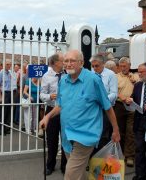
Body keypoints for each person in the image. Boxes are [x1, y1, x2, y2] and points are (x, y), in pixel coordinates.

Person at [40, 50, 120, 180]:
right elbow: (59, 106)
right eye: (66, 61)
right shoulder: (63, 81)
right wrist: (47, 117)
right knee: (79, 173)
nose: (68, 64)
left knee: (70, 175)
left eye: (72, 61)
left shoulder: (93, 80)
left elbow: (107, 107)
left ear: (81, 63)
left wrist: (116, 130)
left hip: (85, 135)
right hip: (67, 135)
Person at [40, 53, 67, 175]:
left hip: (65, 111)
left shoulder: (67, 74)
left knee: (66, 139)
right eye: (63, 61)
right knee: (51, 140)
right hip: (51, 110)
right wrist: (49, 96)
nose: (65, 63)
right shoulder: (47, 76)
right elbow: (42, 95)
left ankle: (65, 166)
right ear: (56, 62)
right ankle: (50, 165)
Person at [114, 57, 139, 167]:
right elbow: (113, 91)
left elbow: (143, 88)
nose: (123, 68)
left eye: (125, 66)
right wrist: (122, 97)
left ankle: (130, 156)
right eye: (121, 66)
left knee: (131, 131)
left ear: (130, 66)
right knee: (119, 130)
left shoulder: (135, 76)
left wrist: (135, 82)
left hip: (132, 105)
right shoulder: (115, 77)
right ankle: (120, 155)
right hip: (119, 105)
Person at [90, 54, 118, 150]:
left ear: (103, 64)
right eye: (92, 66)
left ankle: (101, 159)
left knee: (104, 135)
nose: (94, 68)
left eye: (96, 66)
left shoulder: (111, 75)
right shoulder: (91, 75)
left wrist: (103, 100)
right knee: (93, 133)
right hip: (93, 109)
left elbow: (114, 93)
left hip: (106, 109)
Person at [0, 59, 17, 135]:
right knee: (2, 111)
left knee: (8, 111)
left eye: (10, 64)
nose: (9, 66)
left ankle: (6, 128)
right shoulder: (0, 73)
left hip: (10, 93)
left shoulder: (10, 73)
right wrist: (0, 96)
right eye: (7, 64)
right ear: (4, 65)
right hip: (3, 93)